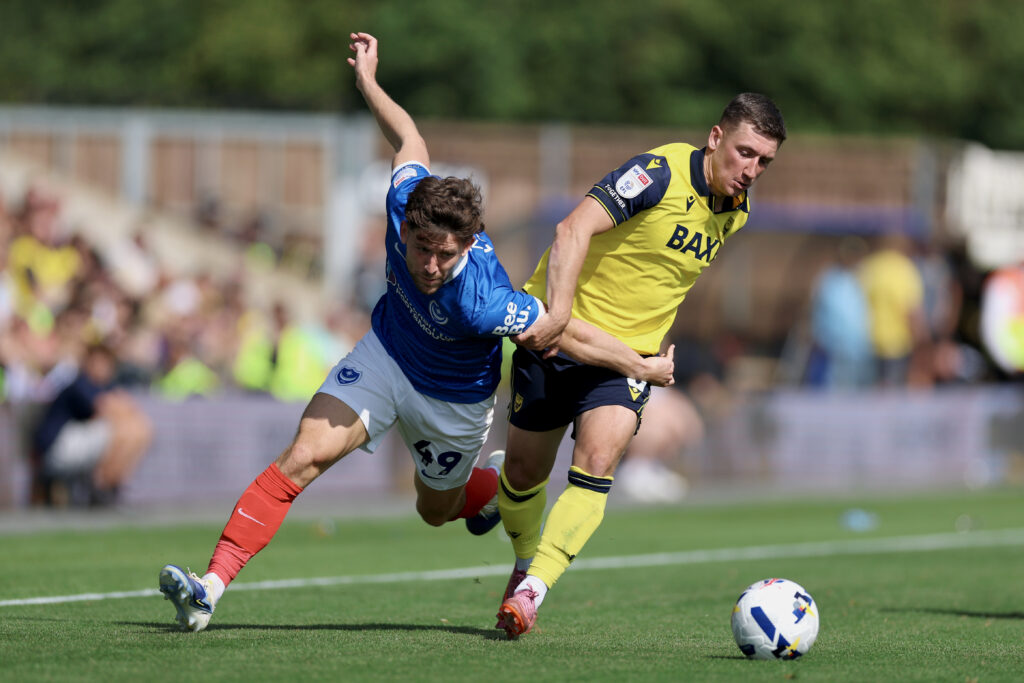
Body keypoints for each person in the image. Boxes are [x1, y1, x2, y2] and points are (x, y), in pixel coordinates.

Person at [158, 32, 673, 632]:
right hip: (386, 357)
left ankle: (488, 491)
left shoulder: (486, 300)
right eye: (421, 248)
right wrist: (370, 84)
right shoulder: (404, 198)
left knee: (436, 510)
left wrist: (640, 367)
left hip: (453, 402)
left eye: (444, 255)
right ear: (408, 225)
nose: (429, 265)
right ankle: (208, 591)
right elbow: (410, 139)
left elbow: (564, 333)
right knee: (304, 454)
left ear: (467, 245)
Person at [494, 93, 787, 639]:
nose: (752, 170)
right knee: (523, 476)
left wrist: (648, 351)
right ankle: (524, 552)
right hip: (560, 337)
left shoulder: (737, 211)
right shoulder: (654, 174)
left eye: (764, 161)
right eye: (745, 152)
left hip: (628, 359)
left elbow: (661, 279)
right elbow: (570, 231)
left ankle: (533, 590)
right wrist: (557, 316)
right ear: (716, 138)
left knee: (597, 461)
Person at [31, 342, 153, 506]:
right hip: (55, 450)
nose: (102, 367)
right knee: (122, 430)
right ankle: (102, 484)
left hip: (75, 445)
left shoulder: (105, 386)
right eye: (97, 362)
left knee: (139, 429)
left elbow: (131, 410)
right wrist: (122, 410)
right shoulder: (80, 384)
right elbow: (109, 409)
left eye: (106, 363)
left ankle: (109, 483)